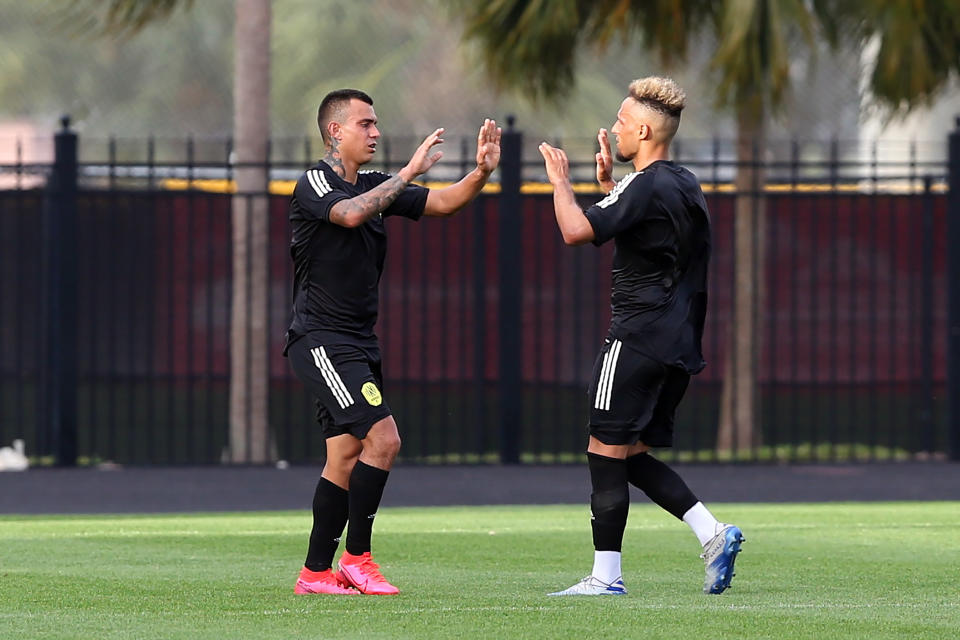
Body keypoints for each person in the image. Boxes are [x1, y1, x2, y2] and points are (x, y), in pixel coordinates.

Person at [286, 89, 501, 595]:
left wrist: (482, 173)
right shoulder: (315, 182)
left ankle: (315, 572)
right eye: (365, 123)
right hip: (321, 340)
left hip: (357, 342)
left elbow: (444, 203)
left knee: (343, 455)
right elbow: (349, 215)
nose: (375, 132)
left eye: (376, 123)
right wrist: (408, 172)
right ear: (336, 131)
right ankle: (358, 558)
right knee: (384, 440)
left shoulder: (379, 184)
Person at [537, 77, 744, 596]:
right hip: (677, 344)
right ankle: (713, 533)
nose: (615, 128)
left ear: (646, 129)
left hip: (635, 337)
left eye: (624, 122)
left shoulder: (647, 183)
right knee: (629, 454)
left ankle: (605, 577)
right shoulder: (684, 182)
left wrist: (561, 181)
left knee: (603, 450)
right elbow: (649, 232)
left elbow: (575, 231)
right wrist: (612, 184)